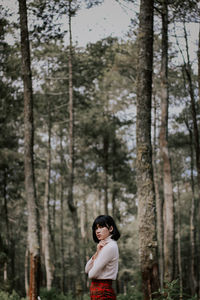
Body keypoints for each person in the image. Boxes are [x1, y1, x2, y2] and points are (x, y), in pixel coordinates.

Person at [85, 215, 120, 300]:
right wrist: (97, 253)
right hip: (97, 292)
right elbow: (86, 269)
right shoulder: (103, 246)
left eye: (101, 227)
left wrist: (99, 253)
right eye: (96, 228)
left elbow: (91, 274)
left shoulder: (110, 247)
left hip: (103, 293)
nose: (97, 231)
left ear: (111, 229)